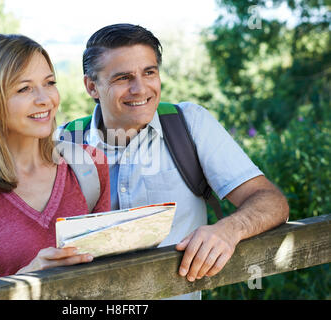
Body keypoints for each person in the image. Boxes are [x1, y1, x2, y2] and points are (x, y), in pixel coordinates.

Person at [60, 23, 289, 299]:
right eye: (123, 78)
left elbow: (271, 201)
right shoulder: (67, 142)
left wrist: (229, 229)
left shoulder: (189, 125)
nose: (140, 88)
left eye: (149, 72)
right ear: (91, 86)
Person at [0, 34, 110, 288]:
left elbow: (108, 276)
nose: (45, 99)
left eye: (49, 82)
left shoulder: (90, 166)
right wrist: (28, 277)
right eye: (24, 88)